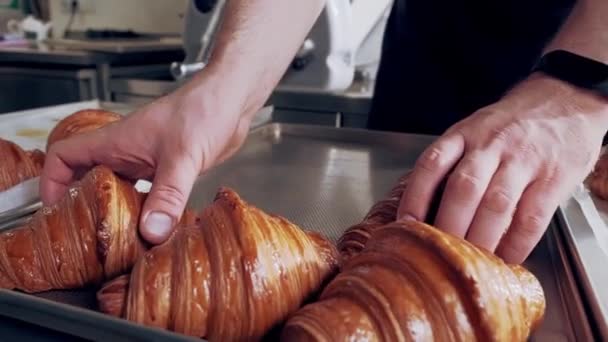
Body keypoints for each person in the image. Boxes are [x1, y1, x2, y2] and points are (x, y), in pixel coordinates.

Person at [40, 0, 608, 264]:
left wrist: (577, 86)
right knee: (395, 233)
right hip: (431, 50)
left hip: (582, 71)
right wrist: (228, 86)